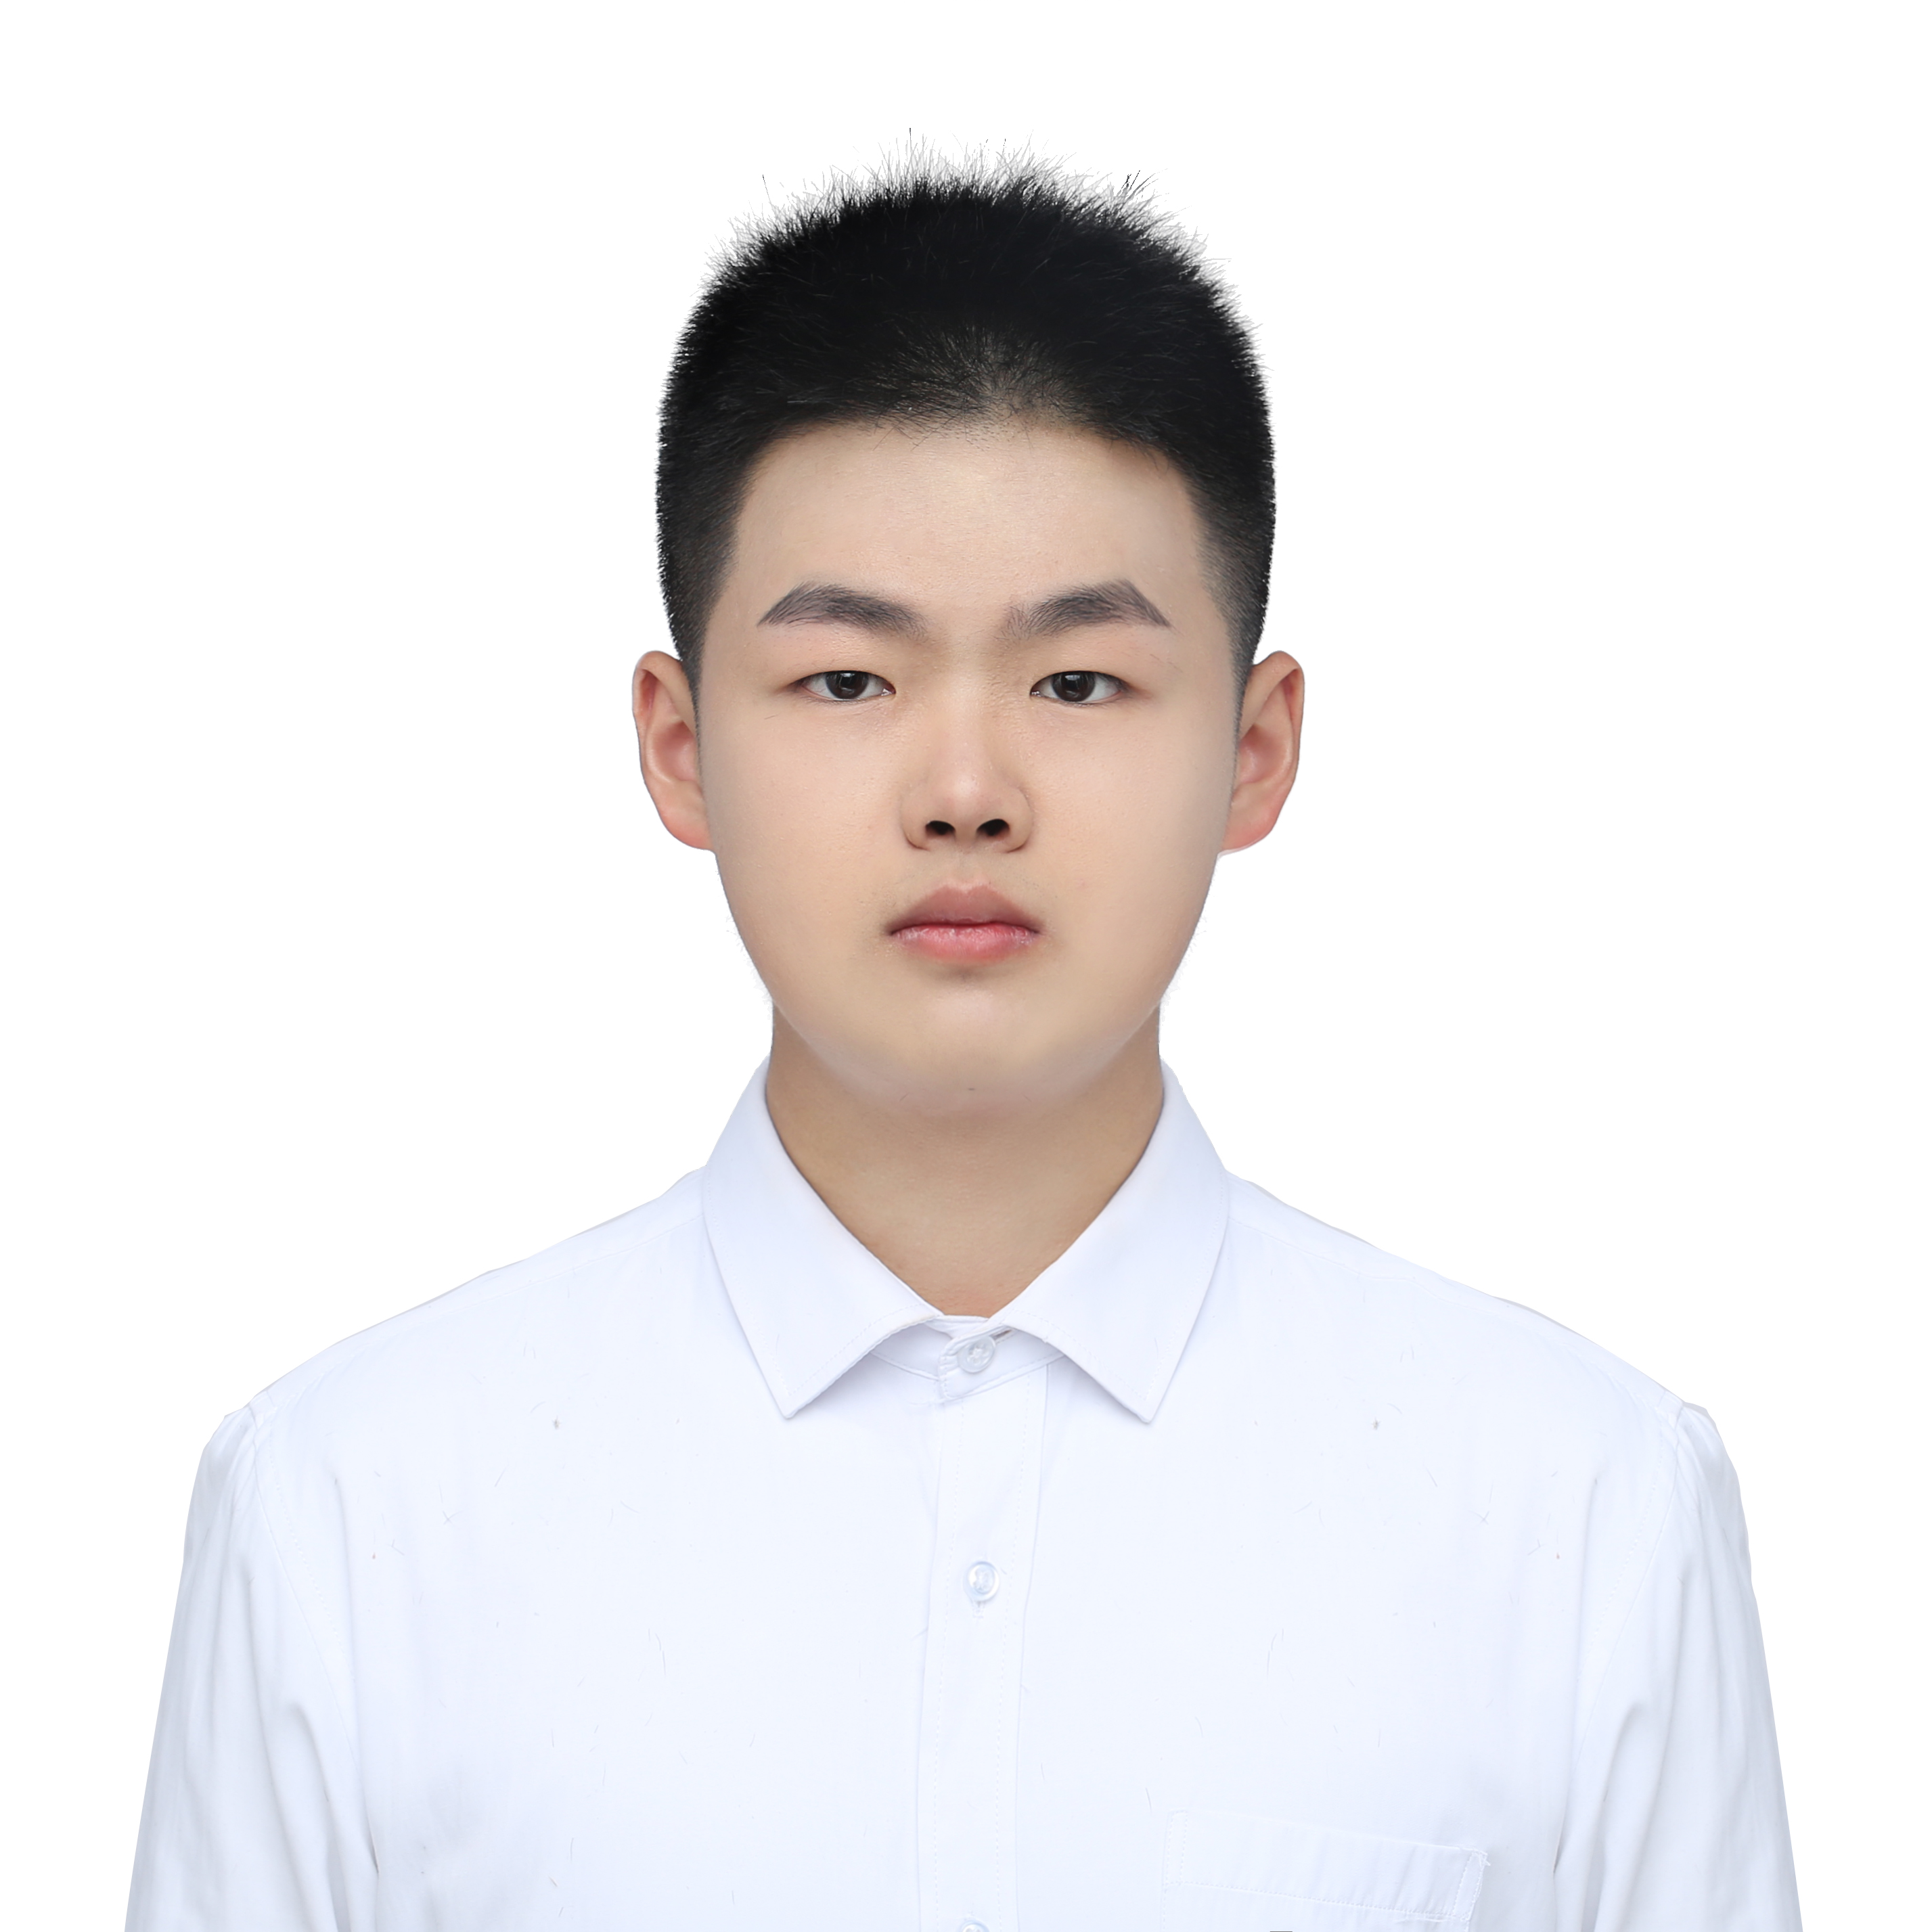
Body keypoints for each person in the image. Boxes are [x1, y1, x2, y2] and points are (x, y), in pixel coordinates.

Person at [127, 160, 1801, 1931]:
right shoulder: (348, 1512)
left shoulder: (1583, 1511)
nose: (965, 793)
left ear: (1254, 750)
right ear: (680, 747)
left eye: (1079, 682)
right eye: (848, 680)